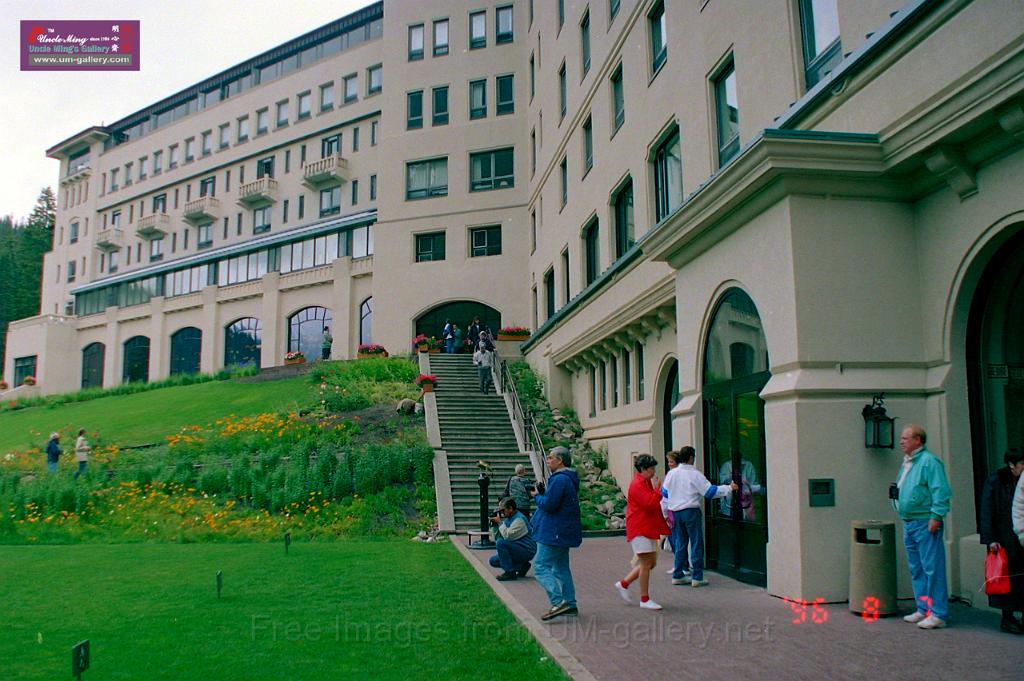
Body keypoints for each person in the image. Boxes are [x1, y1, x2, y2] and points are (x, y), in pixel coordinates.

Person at [893, 424, 951, 630]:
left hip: (925, 521)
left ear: (918, 440)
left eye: (905, 438)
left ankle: (938, 613)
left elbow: (940, 490)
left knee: (932, 567)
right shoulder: (908, 462)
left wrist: (936, 516)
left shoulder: (929, 462)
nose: (901, 441)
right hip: (909, 521)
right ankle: (924, 607)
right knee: (917, 567)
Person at [663, 446, 737, 587]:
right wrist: (728, 488)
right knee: (696, 542)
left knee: (680, 543)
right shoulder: (695, 474)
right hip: (691, 511)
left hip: (676, 512)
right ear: (691, 458)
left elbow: (665, 495)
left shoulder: (672, 474)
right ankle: (697, 576)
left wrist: (666, 513)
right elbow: (710, 492)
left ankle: (678, 574)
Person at [530, 446, 582, 621]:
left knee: (540, 567)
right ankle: (570, 603)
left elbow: (549, 505)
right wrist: (544, 494)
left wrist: (537, 496)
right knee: (561, 568)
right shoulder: (568, 479)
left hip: (554, 533)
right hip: (563, 532)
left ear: (560, 460)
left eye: (551, 457)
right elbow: (556, 501)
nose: (548, 460)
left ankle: (558, 602)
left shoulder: (559, 479)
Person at [615, 454, 670, 609]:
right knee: (647, 563)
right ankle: (644, 599)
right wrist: (658, 490)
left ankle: (624, 584)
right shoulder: (638, 484)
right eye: (651, 468)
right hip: (640, 527)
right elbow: (649, 504)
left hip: (644, 527)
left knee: (650, 563)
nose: (653, 471)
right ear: (643, 469)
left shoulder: (643, 482)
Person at [981, 449, 1024, 634]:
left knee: (1020, 577)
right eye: (1022, 464)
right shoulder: (996, 480)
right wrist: (991, 539)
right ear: (1011, 465)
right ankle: (1007, 618)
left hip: (1018, 536)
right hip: (1003, 537)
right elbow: (987, 510)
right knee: (1006, 578)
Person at [488, 497, 537, 581]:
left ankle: (510, 572)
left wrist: (500, 523)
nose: (502, 513)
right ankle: (522, 566)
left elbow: (508, 536)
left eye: (503, 510)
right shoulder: (509, 519)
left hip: (527, 550)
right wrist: (494, 526)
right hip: (517, 548)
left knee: (501, 543)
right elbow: (498, 538)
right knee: (493, 561)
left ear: (510, 508)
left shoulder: (519, 520)